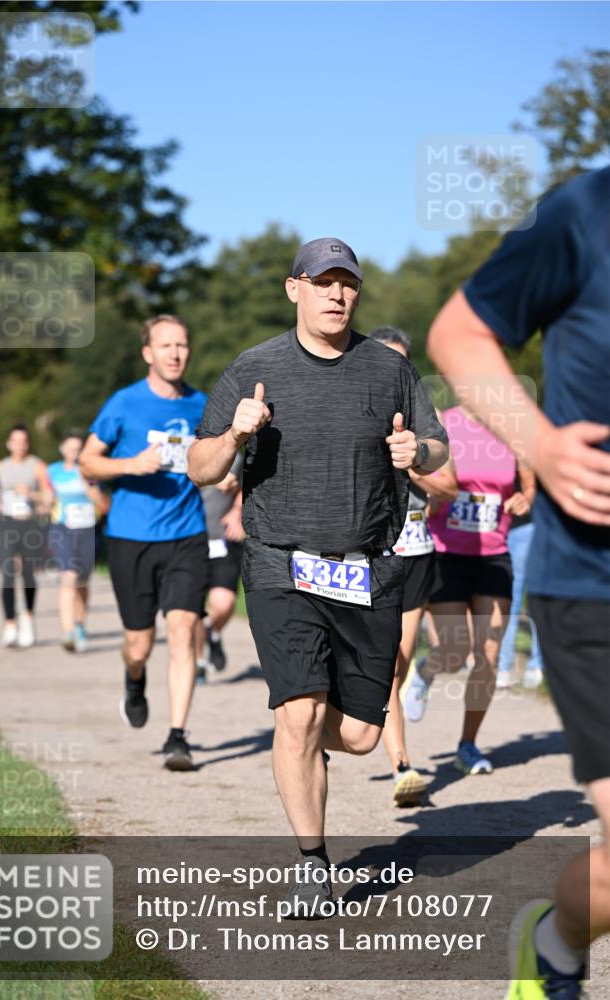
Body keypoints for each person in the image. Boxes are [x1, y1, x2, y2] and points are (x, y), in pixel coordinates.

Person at [188, 238, 449, 907]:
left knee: (360, 736)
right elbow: (200, 467)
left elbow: (440, 456)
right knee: (300, 714)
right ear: (293, 288)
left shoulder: (386, 370)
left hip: (367, 570)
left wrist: (414, 449)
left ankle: (298, 731)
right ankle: (312, 858)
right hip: (281, 562)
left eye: (348, 284)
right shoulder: (254, 368)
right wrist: (235, 435)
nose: (337, 294)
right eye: (323, 282)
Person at [426, 166, 610, 999]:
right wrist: (537, 442)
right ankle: (558, 946)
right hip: (593, 583)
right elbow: (460, 334)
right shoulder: (586, 212)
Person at [79, 314, 209, 772]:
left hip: (187, 536)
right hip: (130, 537)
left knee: (182, 632)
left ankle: (178, 735)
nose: (176, 353)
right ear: (148, 353)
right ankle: (134, 680)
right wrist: (130, 466)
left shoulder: (202, 405)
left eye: (182, 344)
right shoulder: (124, 403)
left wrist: (228, 479)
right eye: (166, 345)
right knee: (138, 644)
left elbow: (218, 460)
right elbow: (87, 462)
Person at [403, 403, 535, 775]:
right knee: (455, 652)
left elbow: (530, 486)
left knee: (489, 656)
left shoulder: (513, 428)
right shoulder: (445, 422)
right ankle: (427, 672)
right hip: (447, 554)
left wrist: (525, 498)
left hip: (494, 555)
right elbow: (426, 475)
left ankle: (468, 745)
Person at [369, 326, 458, 807]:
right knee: (366, 664)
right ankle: (321, 734)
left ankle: (401, 765)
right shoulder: (352, 410)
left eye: (402, 362)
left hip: (416, 553)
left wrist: (414, 460)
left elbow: (451, 487)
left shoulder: (429, 418)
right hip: (365, 557)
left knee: (397, 664)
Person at [0, 425, 53, 648]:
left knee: (28, 574)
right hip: (7, 524)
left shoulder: (37, 466)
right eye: (16, 441)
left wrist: (31, 494)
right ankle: (9, 624)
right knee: (7, 575)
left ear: (28, 443)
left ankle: (27, 618)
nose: (20, 445)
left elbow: (48, 497)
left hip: (30, 524)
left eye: (24, 441)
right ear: (9, 443)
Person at [48, 431, 109, 653]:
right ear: (62, 448)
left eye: (78, 448)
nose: (74, 452)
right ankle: (68, 632)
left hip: (88, 530)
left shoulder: (91, 471)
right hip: (62, 529)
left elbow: (103, 506)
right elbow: (44, 499)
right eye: (70, 447)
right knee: (69, 576)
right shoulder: (52, 471)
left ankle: (80, 624)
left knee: (82, 581)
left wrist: (90, 488)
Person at [195, 456, 244, 681]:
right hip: (187, 541)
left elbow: (249, 485)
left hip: (222, 540)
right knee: (191, 610)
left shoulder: (235, 455)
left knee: (224, 604)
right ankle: (199, 663)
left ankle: (212, 632)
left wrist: (236, 512)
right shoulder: (177, 450)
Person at [496, 488, 544, 689]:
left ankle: (503, 669)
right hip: (539, 526)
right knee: (539, 600)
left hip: (515, 528)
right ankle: (537, 666)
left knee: (510, 601)